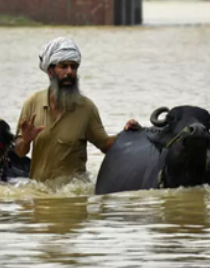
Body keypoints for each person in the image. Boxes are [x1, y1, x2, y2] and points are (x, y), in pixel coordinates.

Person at [14, 37, 140, 182]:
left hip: (73, 196)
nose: (69, 72)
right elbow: (19, 152)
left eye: (73, 67)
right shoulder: (32, 103)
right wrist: (25, 140)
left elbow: (105, 146)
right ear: (50, 72)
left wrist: (126, 135)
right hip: (40, 196)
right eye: (63, 66)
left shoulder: (86, 108)